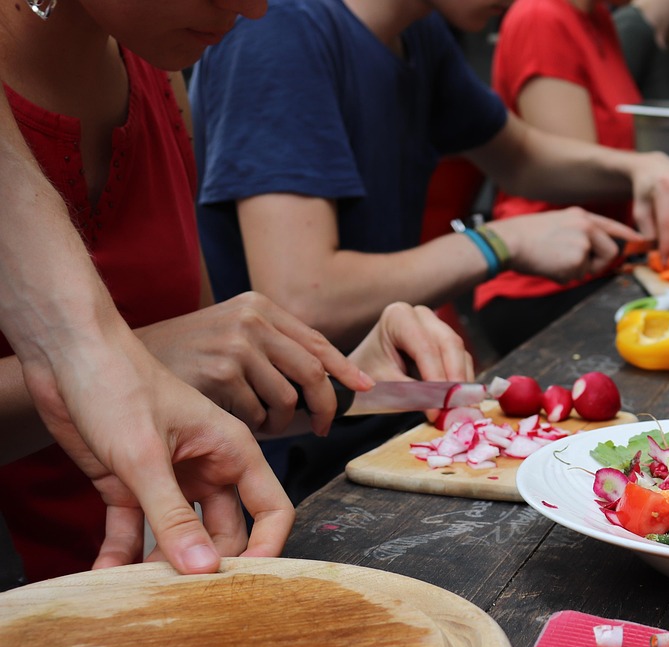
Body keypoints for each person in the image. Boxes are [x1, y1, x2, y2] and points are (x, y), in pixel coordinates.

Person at [0, 0, 475, 581]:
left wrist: (347, 382)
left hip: (165, 579)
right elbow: (150, 366)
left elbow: (202, 401)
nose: (255, 8)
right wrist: (148, 355)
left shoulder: (158, 72)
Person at [189, 0, 669, 495]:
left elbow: (518, 155)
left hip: (390, 415)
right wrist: (499, 241)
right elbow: (303, 298)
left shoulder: (419, 34)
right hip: (289, 457)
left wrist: (639, 169)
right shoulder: (278, 35)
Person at [476, 0, 669, 352]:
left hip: (605, 269)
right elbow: (568, 174)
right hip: (544, 286)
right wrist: (646, 170)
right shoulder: (540, 16)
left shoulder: (598, 18)